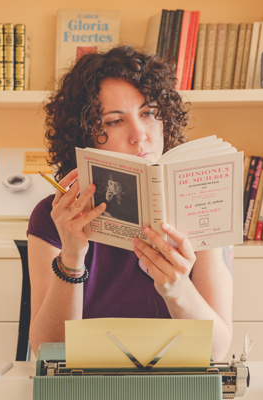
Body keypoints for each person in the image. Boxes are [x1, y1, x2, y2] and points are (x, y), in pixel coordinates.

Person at [27, 45, 233, 361]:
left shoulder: (198, 203)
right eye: (114, 121)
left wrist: (178, 291)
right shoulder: (53, 216)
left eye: (148, 113)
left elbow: (218, 352)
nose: (140, 134)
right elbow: (47, 351)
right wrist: (72, 256)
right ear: (86, 132)